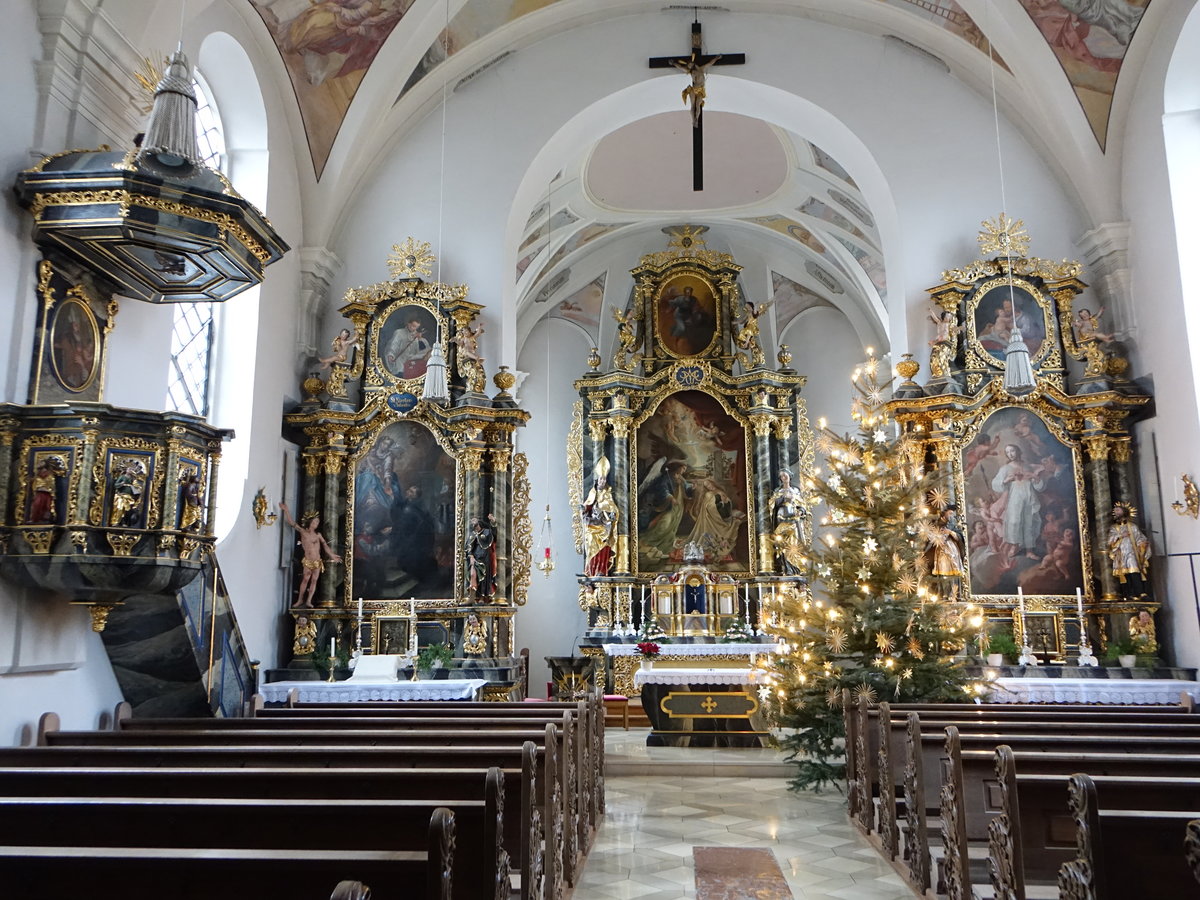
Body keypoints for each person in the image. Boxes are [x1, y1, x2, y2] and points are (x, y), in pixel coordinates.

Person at [280, 501, 342, 608]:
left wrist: (332, 555)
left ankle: (309, 601)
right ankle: (300, 600)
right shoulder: (303, 532)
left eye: (317, 522)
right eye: (314, 522)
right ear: (310, 522)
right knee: (305, 579)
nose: (316, 524)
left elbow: (325, 546)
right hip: (308, 561)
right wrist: (286, 511)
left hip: (317, 561)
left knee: (314, 581)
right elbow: (291, 523)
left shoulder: (318, 535)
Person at [991, 444, 1045, 561]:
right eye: (1008, 452)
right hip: (1015, 498)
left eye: (1012, 451)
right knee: (1015, 522)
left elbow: (1038, 486)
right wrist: (1006, 480)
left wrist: (1035, 478)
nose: (1011, 454)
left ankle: (1029, 551)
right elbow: (996, 484)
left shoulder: (1027, 467)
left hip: (1029, 496)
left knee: (1029, 522)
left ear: (1018, 451)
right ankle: (1014, 545)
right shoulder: (1005, 468)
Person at [638, 458, 690, 562]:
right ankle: (649, 540)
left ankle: (667, 541)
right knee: (665, 523)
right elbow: (661, 488)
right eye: (683, 468)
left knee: (674, 523)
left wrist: (692, 487)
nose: (684, 470)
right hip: (668, 505)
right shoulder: (666, 477)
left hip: (679, 504)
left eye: (685, 469)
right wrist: (670, 497)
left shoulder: (680, 477)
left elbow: (687, 486)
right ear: (678, 468)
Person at [581, 456, 619, 577]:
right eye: (600, 479)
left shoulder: (608, 494)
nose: (602, 482)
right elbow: (587, 507)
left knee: (604, 548)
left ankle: (601, 570)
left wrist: (612, 515)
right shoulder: (593, 493)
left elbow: (613, 509)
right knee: (591, 544)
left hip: (605, 527)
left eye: (604, 480)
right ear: (597, 480)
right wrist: (584, 510)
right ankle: (591, 571)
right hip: (593, 526)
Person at [1107, 501, 1150, 599]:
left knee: (1134, 570)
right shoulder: (1114, 528)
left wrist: (1143, 544)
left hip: (1131, 552)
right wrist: (1121, 535)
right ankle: (1129, 593)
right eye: (1115, 511)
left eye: (1118, 510)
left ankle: (1140, 592)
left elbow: (1139, 538)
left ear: (1124, 511)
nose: (1116, 512)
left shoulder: (1133, 527)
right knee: (1124, 573)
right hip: (1121, 553)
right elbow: (1109, 541)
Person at [670, 49, 722, 127]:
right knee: (693, 105)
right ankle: (693, 120)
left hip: (700, 90)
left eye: (690, 65)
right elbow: (680, 67)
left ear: (693, 63)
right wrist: (674, 63)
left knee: (698, 105)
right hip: (693, 89)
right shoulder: (691, 71)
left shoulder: (701, 68)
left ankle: (696, 119)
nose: (689, 66)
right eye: (688, 66)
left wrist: (716, 58)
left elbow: (710, 63)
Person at [770, 470, 807, 575]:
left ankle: (796, 568)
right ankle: (787, 568)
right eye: (781, 476)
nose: (783, 477)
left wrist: (801, 511)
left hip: (794, 519)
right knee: (783, 543)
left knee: (794, 543)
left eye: (785, 475)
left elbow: (802, 505)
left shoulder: (795, 490)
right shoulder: (778, 491)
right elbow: (772, 503)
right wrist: (783, 498)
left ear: (790, 476)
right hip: (781, 518)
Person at [927, 505, 965, 601]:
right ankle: (944, 594)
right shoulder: (936, 524)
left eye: (953, 513)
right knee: (943, 572)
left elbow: (960, 536)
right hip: (941, 551)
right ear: (944, 513)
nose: (952, 515)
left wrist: (951, 532)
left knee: (954, 572)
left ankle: (954, 593)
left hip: (952, 550)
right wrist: (938, 537)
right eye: (950, 513)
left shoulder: (954, 524)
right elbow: (930, 538)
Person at [466, 515, 497, 601]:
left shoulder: (486, 532)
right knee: (473, 575)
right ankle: (473, 596)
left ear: (479, 523)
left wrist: (493, 522)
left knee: (484, 578)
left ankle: (482, 597)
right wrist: (471, 556)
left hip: (484, 558)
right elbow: (468, 546)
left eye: (475, 523)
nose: (473, 525)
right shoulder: (473, 534)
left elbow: (494, 535)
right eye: (472, 523)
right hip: (475, 558)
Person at [27, 456, 64, 525]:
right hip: (39, 492)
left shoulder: (50, 474)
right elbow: (34, 482)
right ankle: (35, 519)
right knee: (36, 505)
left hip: (47, 493)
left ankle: (45, 519)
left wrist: (52, 492)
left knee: (46, 507)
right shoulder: (37, 475)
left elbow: (52, 484)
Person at [109, 460, 146, 527]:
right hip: (121, 495)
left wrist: (136, 485)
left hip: (129, 497)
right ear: (126, 470)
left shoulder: (132, 479)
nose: (130, 470)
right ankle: (116, 521)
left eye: (131, 469)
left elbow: (137, 486)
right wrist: (121, 484)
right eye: (129, 469)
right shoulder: (122, 477)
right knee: (119, 508)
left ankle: (125, 522)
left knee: (127, 510)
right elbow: (116, 484)